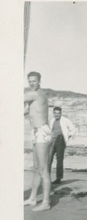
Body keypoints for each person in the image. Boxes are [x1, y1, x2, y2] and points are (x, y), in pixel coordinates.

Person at [24, 71, 52, 211]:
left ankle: (46, 202)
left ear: (39, 81)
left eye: (34, 81)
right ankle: (33, 198)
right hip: (36, 132)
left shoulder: (35, 94)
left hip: (42, 132)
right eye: (29, 81)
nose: (31, 83)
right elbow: (28, 111)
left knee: (43, 169)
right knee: (36, 169)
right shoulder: (36, 96)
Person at [49, 106, 76, 184]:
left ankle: (58, 178)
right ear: (53, 113)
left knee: (59, 160)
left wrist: (68, 136)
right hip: (52, 140)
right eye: (55, 113)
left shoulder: (65, 120)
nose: (57, 115)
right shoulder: (51, 121)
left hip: (60, 141)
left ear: (61, 113)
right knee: (49, 159)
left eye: (58, 113)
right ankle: (47, 177)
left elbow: (73, 129)